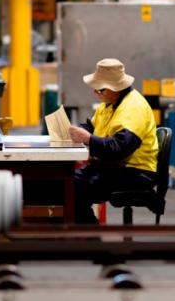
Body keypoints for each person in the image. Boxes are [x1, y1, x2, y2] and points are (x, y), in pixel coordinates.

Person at [68, 58, 159, 224]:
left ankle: (93, 239)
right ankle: (89, 235)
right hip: (112, 166)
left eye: (100, 90)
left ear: (117, 89)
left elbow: (120, 148)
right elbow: (92, 126)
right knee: (67, 183)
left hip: (135, 172)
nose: (96, 93)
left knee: (74, 190)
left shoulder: (133, 108)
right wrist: (76, 131)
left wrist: (87, 139)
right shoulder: (109, 103)